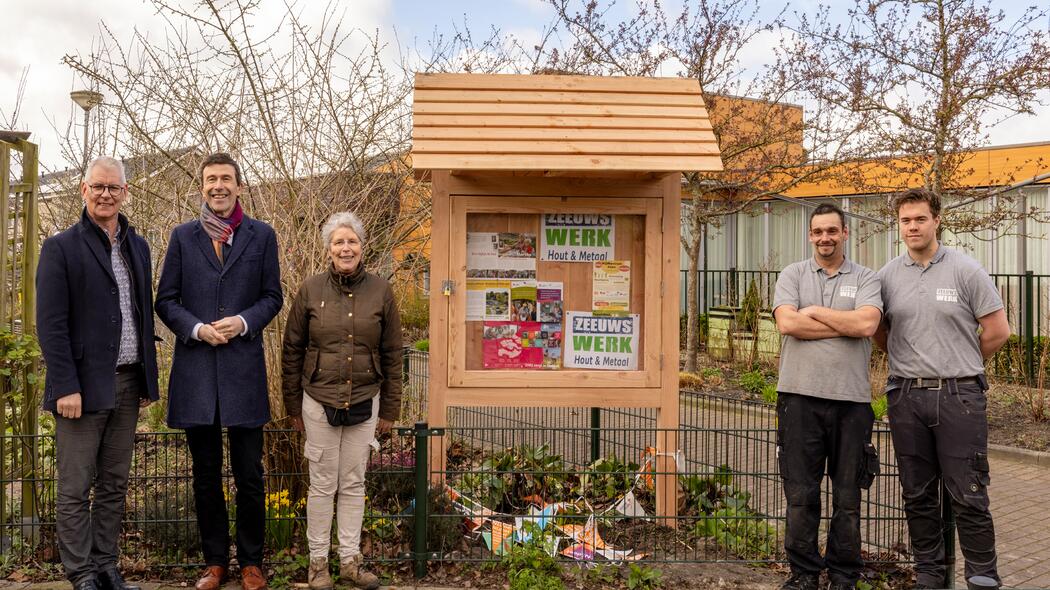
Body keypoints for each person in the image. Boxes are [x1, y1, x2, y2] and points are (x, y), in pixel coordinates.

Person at [155, 152, 283, 590]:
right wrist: (194, 328)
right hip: (196, 373)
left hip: (242, 371)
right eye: (211, 180)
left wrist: (244, 321)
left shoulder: (262, 236)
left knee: (250, 475)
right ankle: (215, 562)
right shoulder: (182, 237)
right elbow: (165, 300)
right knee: (205, 476)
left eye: (226, 179)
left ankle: (251, 562)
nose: (218, 186)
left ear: (239, 186)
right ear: (202, 187)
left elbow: (272, 296)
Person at [875, 188, 1010, 590]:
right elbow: (881, 332)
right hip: (905, 396)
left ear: (936, 220)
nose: (912, 226)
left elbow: (998, 331)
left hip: (959, 397)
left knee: (968, 492)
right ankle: (930, 576)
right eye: (905, 220)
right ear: (898, 225)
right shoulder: (886, 276)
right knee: (917, 494)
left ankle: (983, 576)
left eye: (920, 219)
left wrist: (958, 362)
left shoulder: (966, 271)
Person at [37, 156, 160, 590]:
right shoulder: (60, 247)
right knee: (75, 488)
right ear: (84, 190)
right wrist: (66, 384)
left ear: (125, 192)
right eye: (98, 187)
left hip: (128, 383)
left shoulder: (137, 247)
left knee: (113, 482)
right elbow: (50, 326)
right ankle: (82, 573)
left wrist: (148, 378)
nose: (106, 194)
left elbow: (141, 314)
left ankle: (107, 566)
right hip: (81, 390)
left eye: (114, 188)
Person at [281, 211, 402, 590]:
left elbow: (393, 354)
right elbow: (292, 351)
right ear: (328, 249)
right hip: (317, 402)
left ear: (362, 247)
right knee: (321, 485)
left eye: (352, 241)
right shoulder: (310, 290)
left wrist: (392, 409)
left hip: (366, 401)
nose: (345, 248)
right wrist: (291, 406)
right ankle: (318, 564)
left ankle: (350, 561)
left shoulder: (381, 291)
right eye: (338, 242)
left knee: (353, 483)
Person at [772, 203, 883, 590]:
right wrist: (844, 325)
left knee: (848, 499)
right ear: (810, 235)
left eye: (832, 231)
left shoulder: (868, 277)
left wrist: (815, 313)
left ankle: (843, 575)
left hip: (852, 402)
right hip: (798, 399)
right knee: (801, 496)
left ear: (845, 233)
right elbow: (787, 322)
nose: (825, 238)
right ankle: (804, 575)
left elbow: (868, 323)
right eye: (818, 231)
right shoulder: (792, 274)